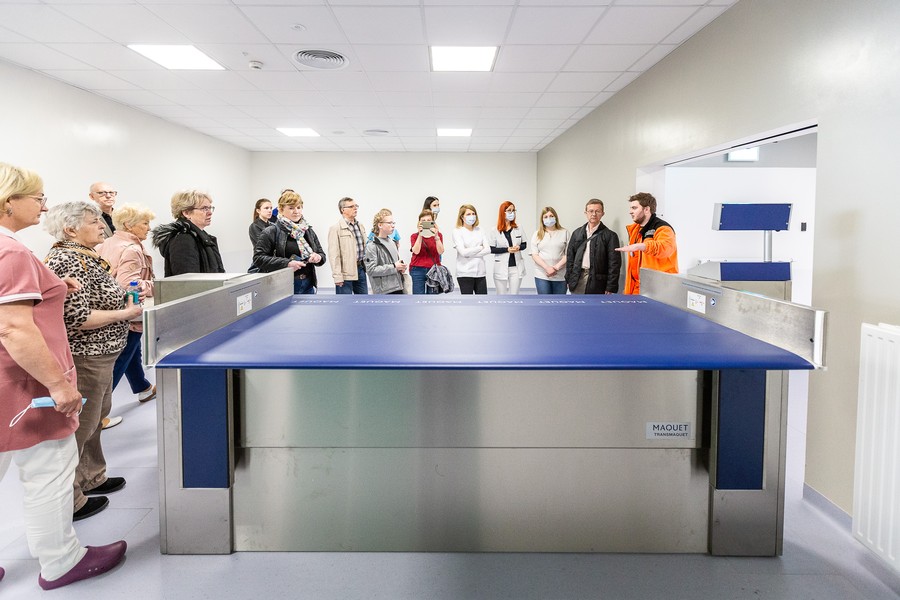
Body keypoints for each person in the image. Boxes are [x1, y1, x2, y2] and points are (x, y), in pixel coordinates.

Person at [0, 164, 128, 590]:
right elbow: (14, 328)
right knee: (49, 471)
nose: (44, 205)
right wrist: (58, 384)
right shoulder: (11, 252)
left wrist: (55, 287)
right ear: (9, 201)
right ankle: (61, 561)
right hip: (25, 384)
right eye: (37, 197)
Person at [44, 201, 142, 525]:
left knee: (96, 419)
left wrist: (126, 297)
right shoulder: (67, 259)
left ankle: (92, 477)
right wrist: (125, 313)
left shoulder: (86, 256)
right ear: (71, 229)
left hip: (103, 353)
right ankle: (71, 500)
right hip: (86, 355)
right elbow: (78, 317)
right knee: (80, 427)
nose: (103, 225)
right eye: (94, 221)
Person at [97, 204, 157, 407]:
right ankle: (97, 413)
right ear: (129, 225)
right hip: (126, 312)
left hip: (109, 311)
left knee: (132, 351)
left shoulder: (106, 243)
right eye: (145, 223)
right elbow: (129, 284)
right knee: (122, 358)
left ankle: (143, 388)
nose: (149, 228)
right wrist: (155, 285)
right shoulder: (131, 249)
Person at [254, 190, 325, 295]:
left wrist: (318, 257)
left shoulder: (307, 230)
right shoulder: (271, 231)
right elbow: (258, 258)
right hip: (284, 286)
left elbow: (321, 253)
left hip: (308, 284)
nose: (296, 211)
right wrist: (287, 263)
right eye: (291, 208)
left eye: (299, 207)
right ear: (281, 209)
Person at [151, 189, 225, 276]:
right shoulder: (183, 239)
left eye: (210, 208)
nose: (210, 213)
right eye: (204, 208)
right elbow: (187, 280)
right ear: (186, 213)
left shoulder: (202, 237)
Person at [616, 192, 679, 295]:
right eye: (631, 208)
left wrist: (641, 246)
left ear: (646, 209)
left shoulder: (663, 228)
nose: (630, 212)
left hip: (659, 290)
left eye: (634, 208)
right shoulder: (635, 230)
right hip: (637, 289)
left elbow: (665, 248)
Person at [565, 199, 621, 295]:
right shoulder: (577, 233)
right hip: (577, 277)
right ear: (586, 213)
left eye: (597, 211)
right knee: (577, 304)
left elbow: (614, 263)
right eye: (591, 211)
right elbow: (570, 258)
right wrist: (569, 278)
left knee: (594, 304)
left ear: (602, 213)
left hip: (598, 281)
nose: (594, 214)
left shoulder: (610, 236)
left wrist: (610, 286)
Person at [327, 197, 368, 294]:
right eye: (351, 206)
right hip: (345, 274)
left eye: (356, 206)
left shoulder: (360, 226)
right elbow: (334, 255)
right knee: (344, 302)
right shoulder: (335, 228)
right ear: (343, 210)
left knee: (363, 301)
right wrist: (337, 276)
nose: (355, 208)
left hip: (361, 269)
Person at [364, 209, 406, 295]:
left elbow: (394, 264)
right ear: (380, 225)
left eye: (393, 223)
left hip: (398, 287)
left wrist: (401, 267)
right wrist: (394, 266)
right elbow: (371, 270)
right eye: (389, 223)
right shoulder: (372, 246)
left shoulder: (392, 242)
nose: (393, 226)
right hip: (384, 292)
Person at [489, 201, 527, 294]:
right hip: (501, 267)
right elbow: (491, 249)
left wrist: (518, 247)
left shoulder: (519, 227)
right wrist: (507, 249)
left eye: (513, 210)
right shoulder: (494, 230)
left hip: (516, 267)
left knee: (514, 295)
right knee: (501, 295)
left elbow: (524, 244)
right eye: (509, 210)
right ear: (503, 212)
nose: (512, 213)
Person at [451, 204, 490, 295]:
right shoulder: (457, 231)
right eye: (468, 214)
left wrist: (469, 253)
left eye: (473, 213)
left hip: (480, 272)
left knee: (482, 300)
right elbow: (463, 253)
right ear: (462, 217)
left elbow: (488, 249)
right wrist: (480, 248)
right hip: (465, 273)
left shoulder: (480, 230)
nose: (472, 216)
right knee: (467, 301)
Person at [530, 206, 569, 295]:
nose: (549, 219)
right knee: (544, 301)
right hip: (542, 274)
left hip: (560, 275)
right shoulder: (537, 234)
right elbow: (534, 254)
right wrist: (547, 268)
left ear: (555, 217)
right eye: (546, 217)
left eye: (551, 216)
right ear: (542, 219)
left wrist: (555, 268)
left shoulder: (564, 232)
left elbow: (568, 254)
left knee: (559, 301)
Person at [409, 209, 444, 295]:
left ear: (433, 222)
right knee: (418, 297)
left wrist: (436, 236)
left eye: (429, 220)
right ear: (419, 223)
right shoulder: (414, 236)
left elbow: (440, 251)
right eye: (423, 220)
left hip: (433, 269)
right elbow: (416, 251)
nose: (426, 222)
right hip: (417, 269)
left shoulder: (438, 236)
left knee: (432, 298)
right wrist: (420, 234)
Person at [248, 198, 275, 273]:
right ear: (258, 210)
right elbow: (263, 246)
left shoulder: (273, 225)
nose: (270, 210)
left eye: (271, 208)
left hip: (272, 261)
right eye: (266, 208)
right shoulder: (254, 226)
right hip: (262, 262)